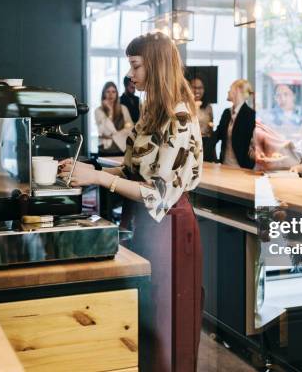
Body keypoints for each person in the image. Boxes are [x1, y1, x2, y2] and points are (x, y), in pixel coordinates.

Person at [59, 32, 203, 372]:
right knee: (146, 315)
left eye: (136, 66)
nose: (131, 75)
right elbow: (130, 168)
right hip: (146, 225)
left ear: (154, 65)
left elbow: (160, 192)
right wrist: (88, 169)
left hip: (170, 227)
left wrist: (97, 178)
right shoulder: (151, 112)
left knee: (167, 322)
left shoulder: (179, 116)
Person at [213, 79, 256, 169]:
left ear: (237, 90)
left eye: (230, 88)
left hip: (242, 168)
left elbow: (253, 143)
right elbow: (217, 135)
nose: (228, 91)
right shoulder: (226, 113)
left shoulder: (250, 115)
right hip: (224, 165)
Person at [95, 81, 133, 155]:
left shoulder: (123, 108)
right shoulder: (98, 111)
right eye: (108, 92)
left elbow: (130, 128)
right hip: (106, 150)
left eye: (113, 92)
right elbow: (104, 131)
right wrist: (109, 111)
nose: (111, 94)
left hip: (121, 149)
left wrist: (113, 136)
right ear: (104, 94)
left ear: (117, 94)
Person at [190, 77, 216, 161]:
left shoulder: (208, 107)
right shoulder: (185, 106)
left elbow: (211, 129)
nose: (197, 91)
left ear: (204, 89)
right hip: (190, 143)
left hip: (206, 144)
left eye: (200, 88)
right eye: (194, 87)